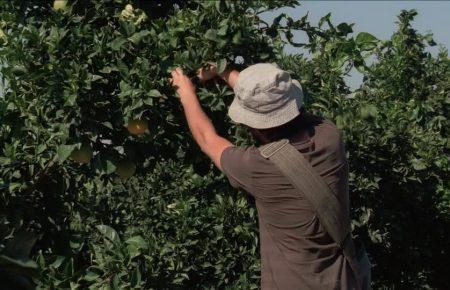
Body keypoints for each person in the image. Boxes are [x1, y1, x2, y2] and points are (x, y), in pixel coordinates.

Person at [170, 63, 357, 289]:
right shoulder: (330, 136)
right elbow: (287, 106)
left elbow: (207, 139)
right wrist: (222, 70)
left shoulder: (258, 166)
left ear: (255, 126)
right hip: (345, 281)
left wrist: (186, 92)